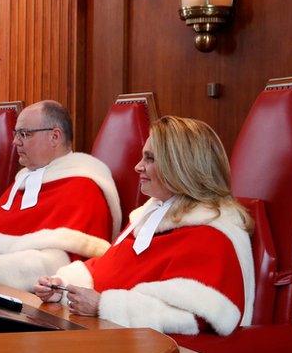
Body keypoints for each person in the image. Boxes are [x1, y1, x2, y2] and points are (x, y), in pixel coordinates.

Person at [33, 116, 255, 336]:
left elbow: (191, 320)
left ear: (180, 167)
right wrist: (63, 288)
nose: (138, 166)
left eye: (150, 159)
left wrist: (104, 306)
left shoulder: (210, 235)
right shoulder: (150, 216)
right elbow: (110, 270)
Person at [0, 101, 120, 291]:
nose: (15, 141)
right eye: (16, 134)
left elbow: (64, 261)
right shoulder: (26, 179)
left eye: (24, 134)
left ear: (55, 137)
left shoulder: (83, 187)